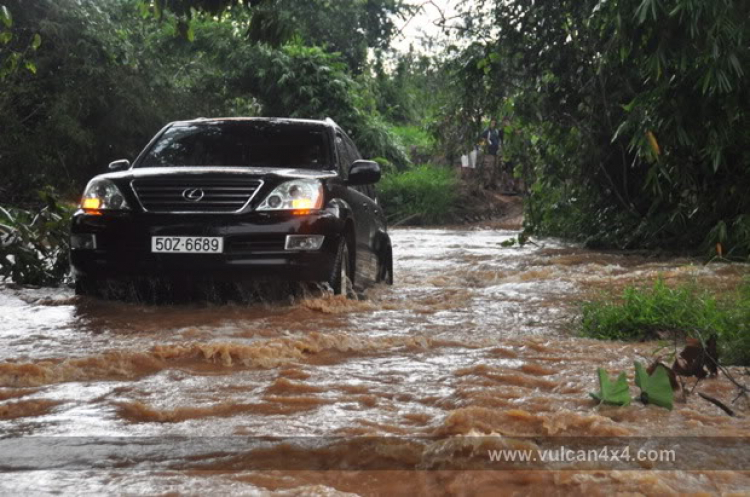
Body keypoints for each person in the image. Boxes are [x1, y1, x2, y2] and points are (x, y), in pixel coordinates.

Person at [479, 119, 501, 188]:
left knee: (495, 168)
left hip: (496, 152)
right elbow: (481, 139)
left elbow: (499, 140)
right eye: (492, 123)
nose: (493, 124)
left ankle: (493, 184)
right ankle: (486, 184)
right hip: (489, 152)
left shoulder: (497, 131)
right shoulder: (486, 131)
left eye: (494, 123)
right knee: (488, 167)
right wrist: (484, 145)